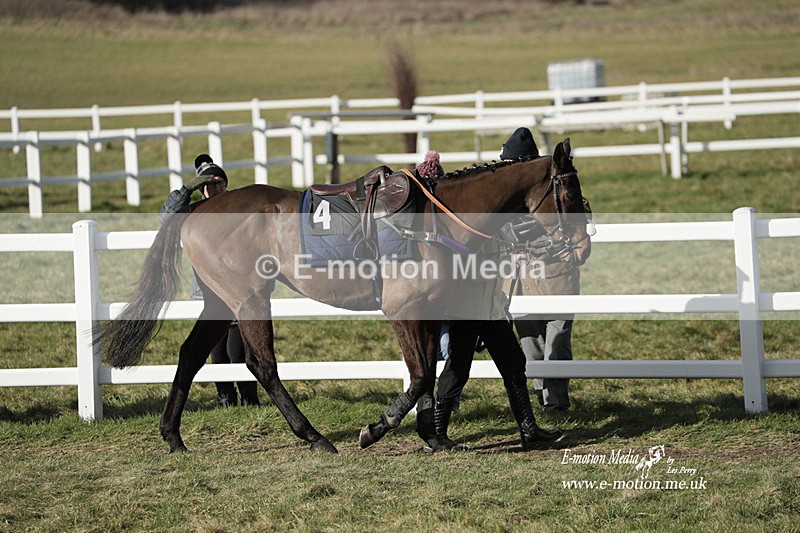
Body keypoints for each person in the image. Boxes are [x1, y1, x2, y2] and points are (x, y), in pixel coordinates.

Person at [430, 129, 562, 452]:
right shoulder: (486, 202)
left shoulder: (505, 205)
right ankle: (435, 433)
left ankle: (529, 431)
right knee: (457, 370)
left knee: (513, 362)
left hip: (489, 304)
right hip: (470, 303)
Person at [159, 154, 260, 408]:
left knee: (239, 349)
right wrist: (185, 190)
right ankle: (225, 397)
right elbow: (165, 216)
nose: (216, 188)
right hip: (211, 290)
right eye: (210, 184)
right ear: (201, 189)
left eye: (220, 183)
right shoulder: (195, 212)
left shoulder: (236, 207)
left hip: (237, 288)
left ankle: (250, 396)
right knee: (217, 349)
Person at [503, 130, 592, 414]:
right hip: (517, 282)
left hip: (556, 277)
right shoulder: (504, 191)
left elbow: (577, 210)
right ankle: (543, 397)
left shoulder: (551, 187)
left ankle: (556, 401)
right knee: (531, 346)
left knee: (557, 341)